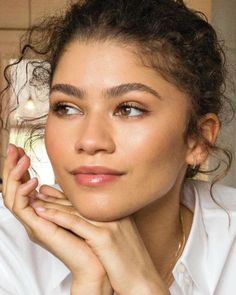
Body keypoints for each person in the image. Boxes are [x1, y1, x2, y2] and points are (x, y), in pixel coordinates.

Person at [0, 0, 236, 294]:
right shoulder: (6, 245)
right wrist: (90, 280)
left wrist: (142, 285)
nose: (89, 141)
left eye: (130, 109)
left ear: (198, 139)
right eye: (67, 108)